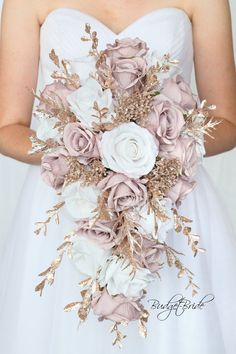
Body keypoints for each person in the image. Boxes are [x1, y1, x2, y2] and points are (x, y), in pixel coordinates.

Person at [0, 0, 236, 353]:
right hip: (69, 204)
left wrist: (156, 147)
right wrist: (84, 152)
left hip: (170, 204)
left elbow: (227, 124)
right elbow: (7, 127)